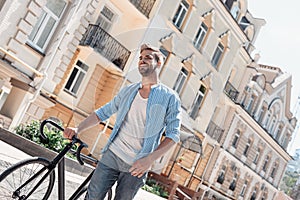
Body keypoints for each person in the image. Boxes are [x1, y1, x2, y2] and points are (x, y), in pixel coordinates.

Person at [63, 43, 182, 200]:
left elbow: (173, 135)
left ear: (159, 63)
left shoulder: (170, 97)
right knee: (92, 197)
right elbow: (103, 112)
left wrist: (149, 159)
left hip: (137, 166)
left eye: (148, 57)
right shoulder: (129, 90)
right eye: (140, 58)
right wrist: (78, 128)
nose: (142, 60)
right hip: (112, 154)